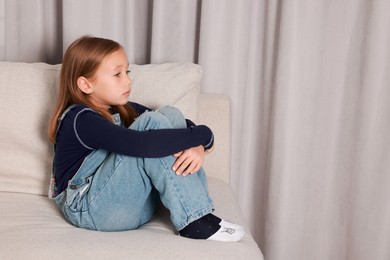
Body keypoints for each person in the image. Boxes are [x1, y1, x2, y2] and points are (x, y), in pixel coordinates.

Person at [47, 36, 244, 242]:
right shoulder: (80, 119)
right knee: (151, 124)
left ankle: (200, 210)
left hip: (131, 207)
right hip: (90, 211)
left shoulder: (120, 108)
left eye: (127, 72)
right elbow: (145, 145)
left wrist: (198, 145)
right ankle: (194, 219)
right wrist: (202, 136)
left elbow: (182, 126)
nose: (128, 80)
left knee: (170, 114)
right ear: (86, 85)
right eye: (117, 74)